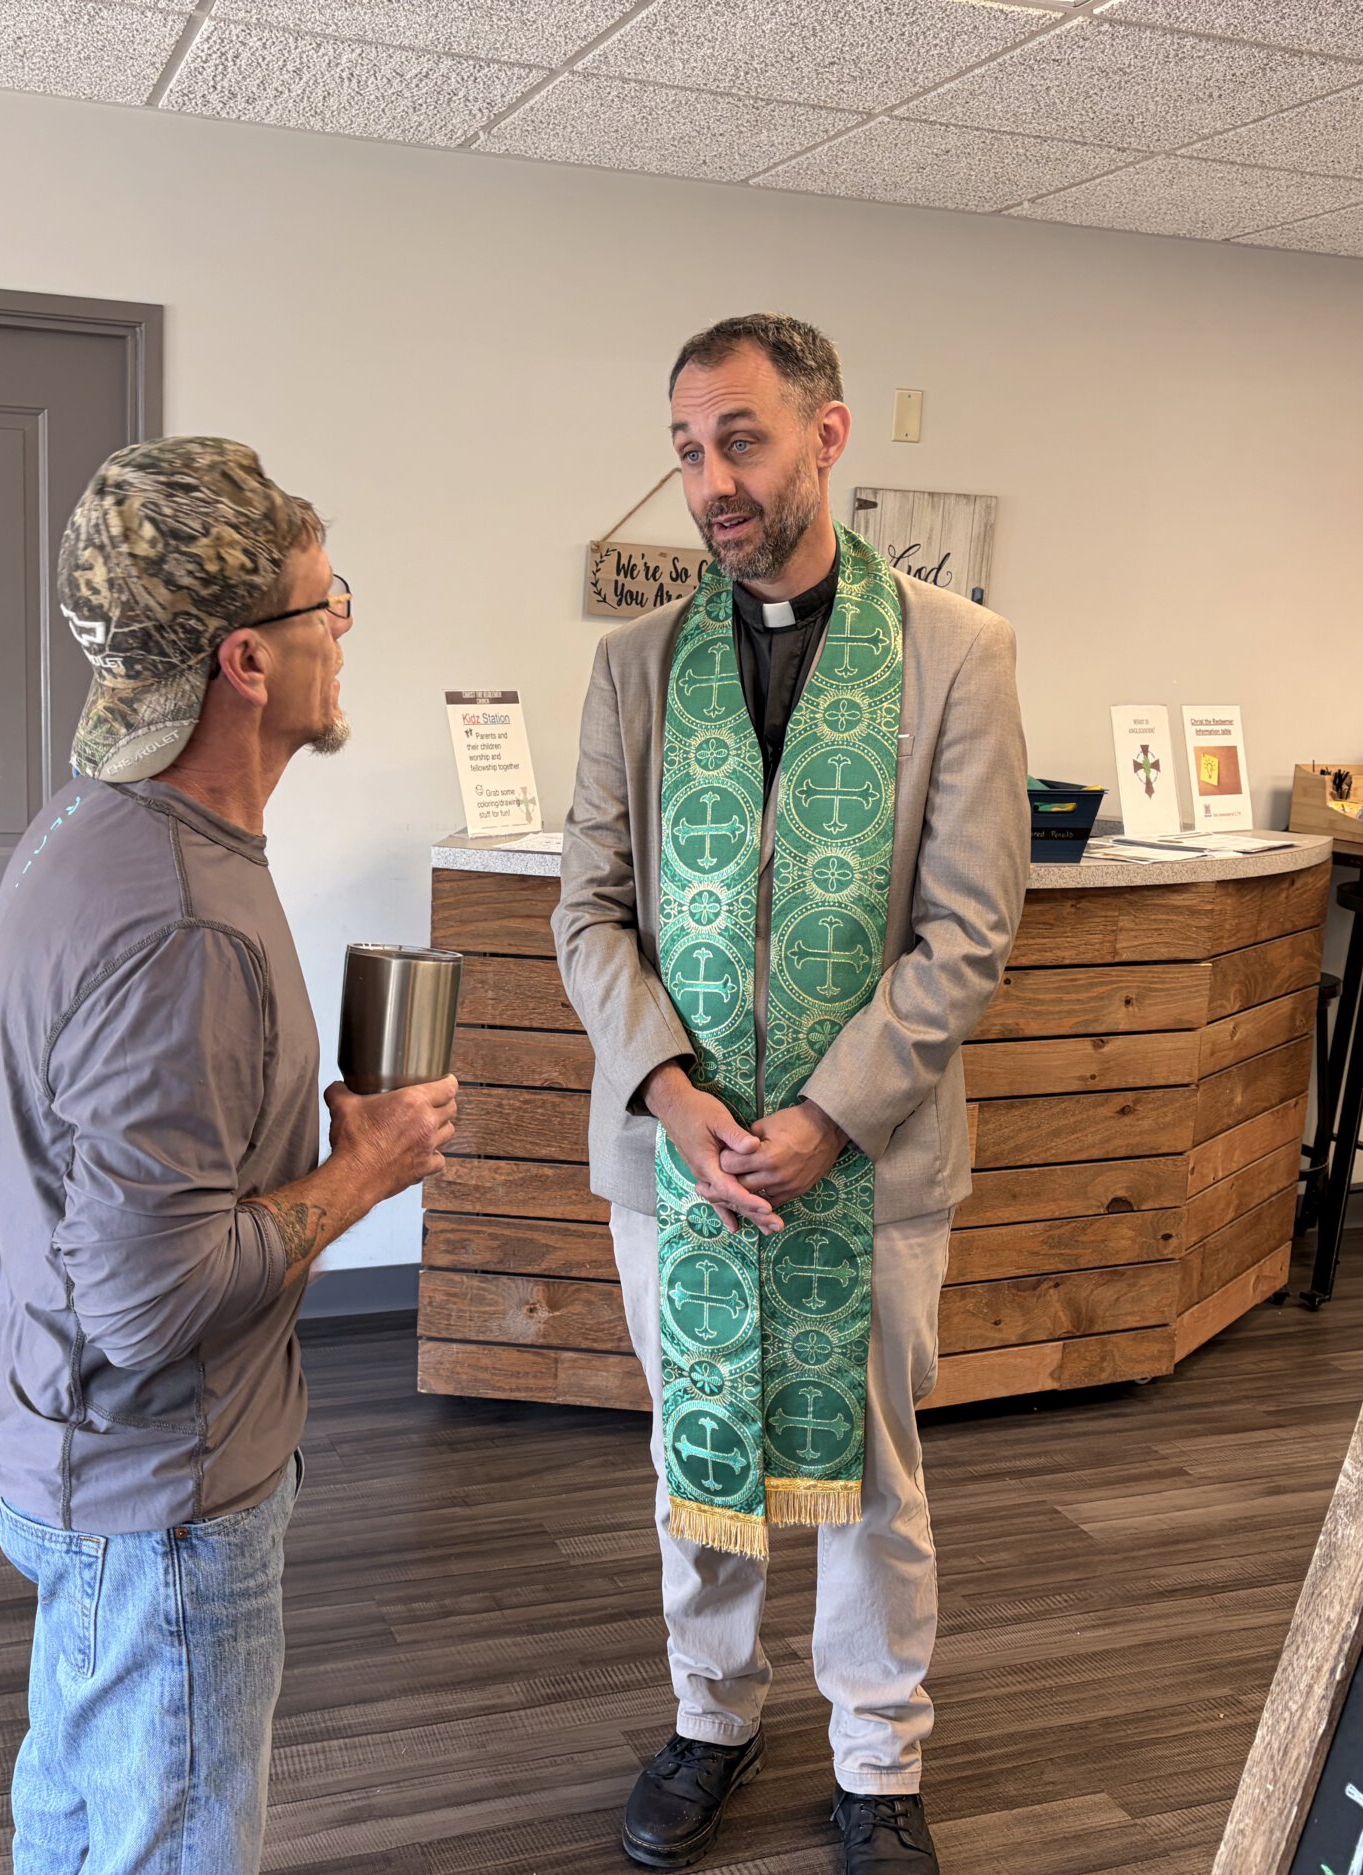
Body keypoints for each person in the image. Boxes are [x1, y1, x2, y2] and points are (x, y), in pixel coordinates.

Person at [555, 316, 1030, 1874]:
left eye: (741, 440)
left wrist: (830, 1116)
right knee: (697, 1452)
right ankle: (710, 1718)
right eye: (688, 448)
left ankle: (879, 1762)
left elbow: (970, 928)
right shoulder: (634, 667)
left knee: (874, 1471)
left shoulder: (958, 652)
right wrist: (670, 1091)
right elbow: (587, 914)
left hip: (869, 1158)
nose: (712, 480)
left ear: (828, 435)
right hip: (678, 1155)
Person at [0, 437, 457, 1875]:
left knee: (75, 1809)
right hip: (158, 1503)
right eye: (325, 604)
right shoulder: (181, 925)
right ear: (246, 660)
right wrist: (367, 1169)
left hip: (64, 1445)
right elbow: (148, 1298)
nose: (342, 631)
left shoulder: (85, 826)